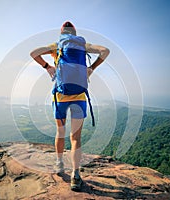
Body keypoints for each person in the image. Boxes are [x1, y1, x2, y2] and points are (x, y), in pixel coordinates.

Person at [30, 21, 109, 191]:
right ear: (74, 33)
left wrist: (47, 66)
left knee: (60, 132)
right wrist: (91, 68)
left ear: (62, 33)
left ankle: (59, 164)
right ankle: (76, 175)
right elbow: (105, 51)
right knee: (75, 138)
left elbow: (33, 53)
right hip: (79, 97)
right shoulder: (82, 45)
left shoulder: (57, 45)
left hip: (60, 96)